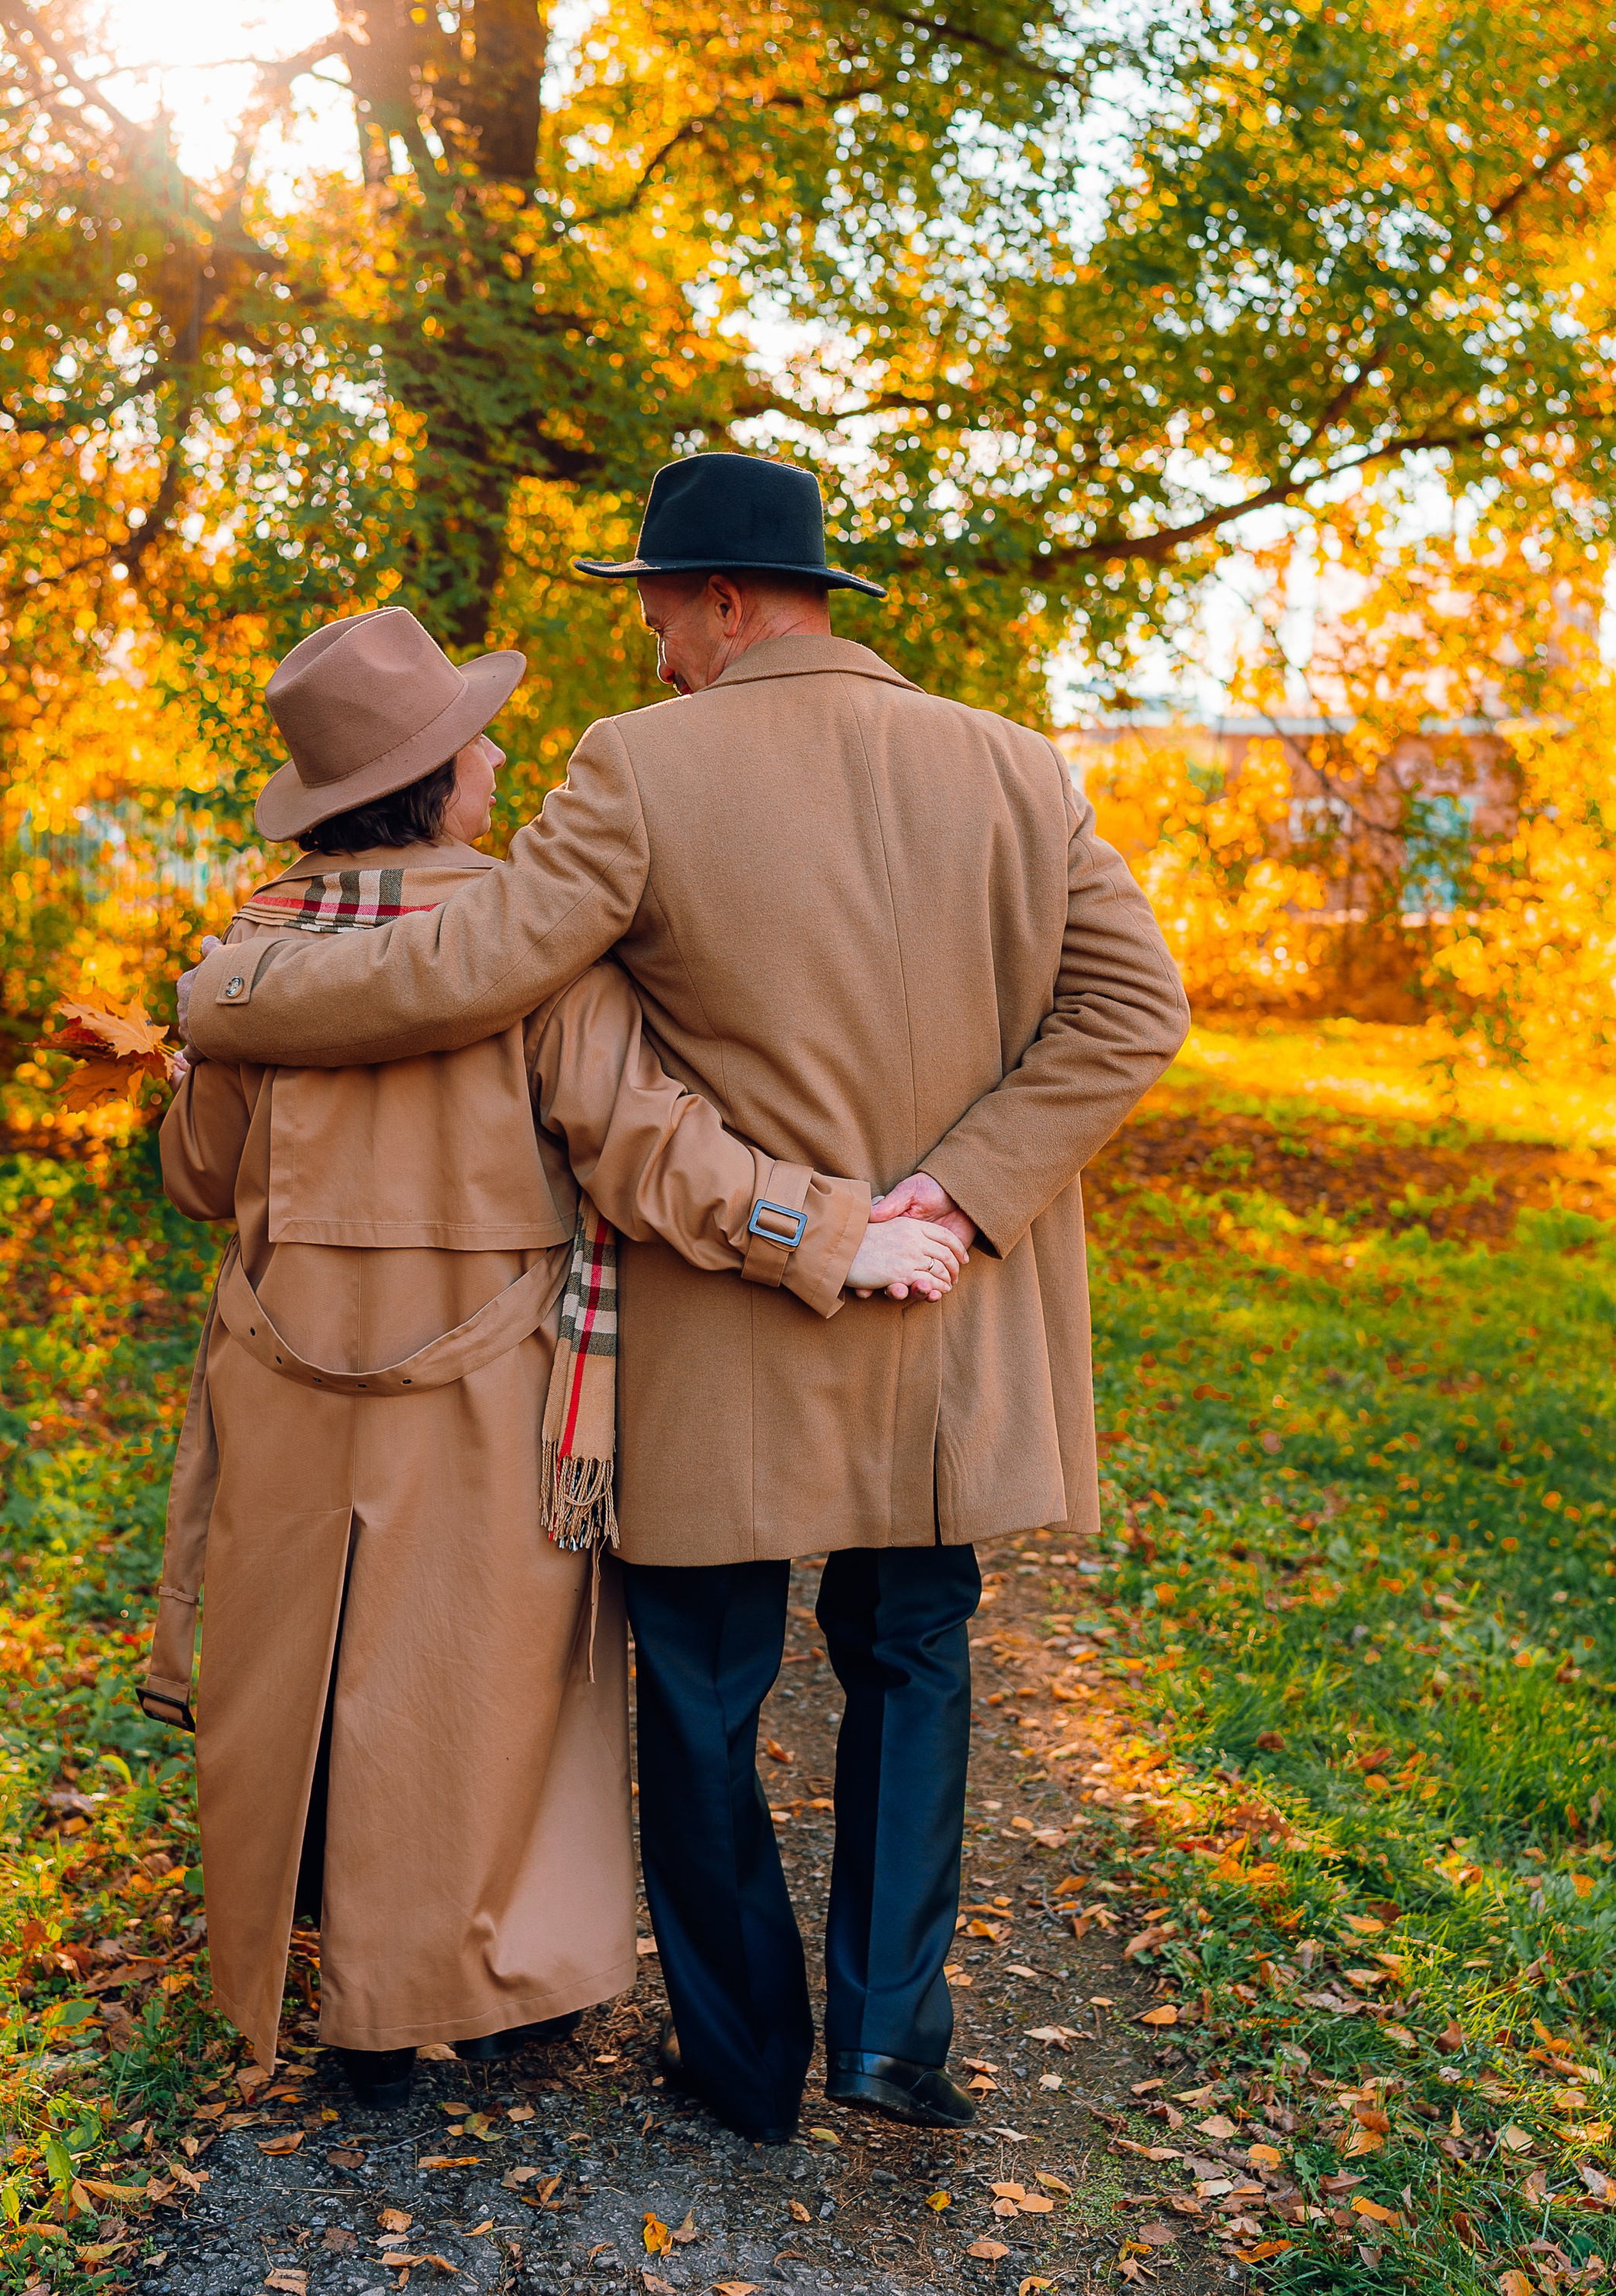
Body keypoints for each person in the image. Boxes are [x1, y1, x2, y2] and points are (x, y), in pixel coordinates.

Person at [182, 452, 1191, 2142]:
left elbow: (470, 969)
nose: (649, 649)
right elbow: (1130, 1011)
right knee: (914, 1649)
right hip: (941, 1305)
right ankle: (889, 2036)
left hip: (729, 1321)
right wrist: (958, 1189)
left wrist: (233, 992)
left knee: (706, 1688)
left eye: (656, 611)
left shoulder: (634, 770)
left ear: (723, 601)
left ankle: (738, 2066)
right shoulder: (1018, 768)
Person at [140, 603, 963, 2107]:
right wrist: (827, 1234)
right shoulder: (523, 946)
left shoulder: (251, 959)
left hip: (282, 1377)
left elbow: (200, 1181)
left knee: (310, 1683)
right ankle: (491, 1989)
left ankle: (337, 2001)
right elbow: (647, 1151)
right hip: (485, 1380)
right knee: (482, 1690)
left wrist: (197, 1071)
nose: (500, 754)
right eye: (477, 740)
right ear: (440, 777)